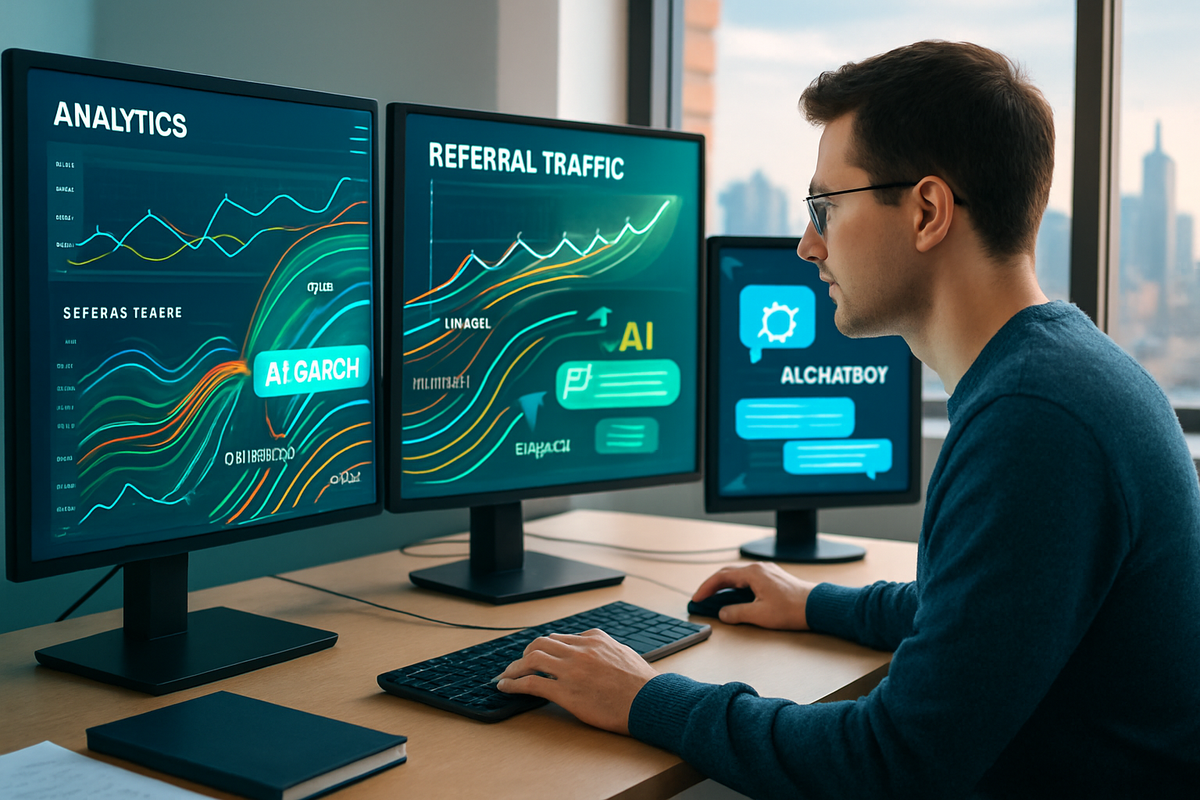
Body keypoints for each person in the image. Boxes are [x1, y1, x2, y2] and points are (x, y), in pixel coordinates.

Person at [496, 40, 1200, 797]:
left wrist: (641, 698)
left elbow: (892, 764)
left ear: (928, 211)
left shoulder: (1034, 421)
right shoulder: (1061, 371)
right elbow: (978, 615)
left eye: (826, 207)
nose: (808, 245)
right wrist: (813, 602)